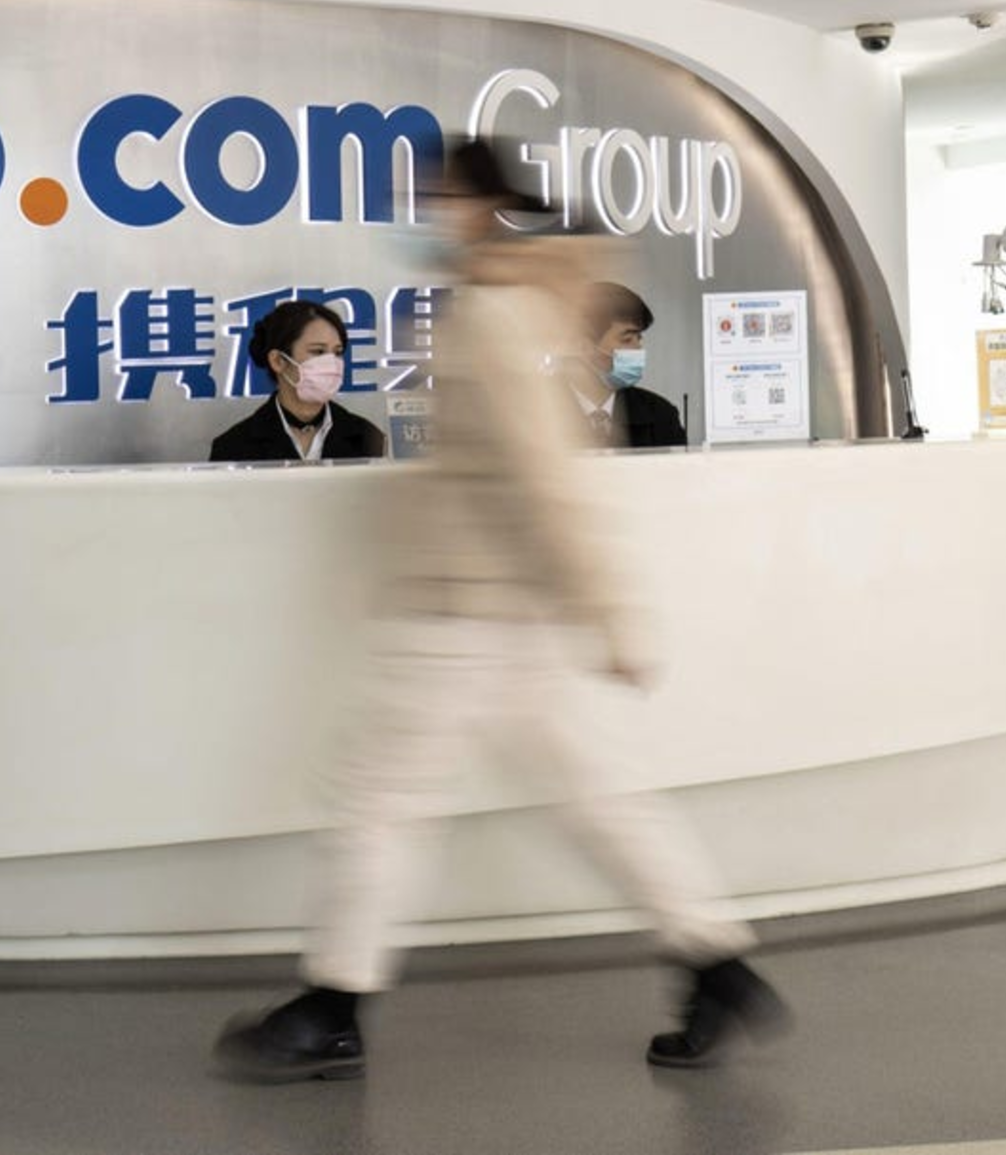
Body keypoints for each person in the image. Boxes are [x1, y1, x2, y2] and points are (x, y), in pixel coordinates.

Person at [213, 137, 786, 1081]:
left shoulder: (494, 314)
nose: (422, 213)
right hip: (504, 613)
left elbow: (542, 476)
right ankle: (717, 964)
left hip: (463, 614)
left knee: (382, 803)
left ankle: (332, 1006)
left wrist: (612, 611)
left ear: (476, 204)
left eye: (435, 195)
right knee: (596, 800)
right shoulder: (504, 304)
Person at [208, 301, 387, 463]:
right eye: (318, 351)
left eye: (337, 352)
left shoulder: (369, 439)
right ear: (278, 361)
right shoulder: (232, 447)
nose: (332, 363)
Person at [561, 282, 687, 449]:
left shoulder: (661, 415)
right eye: (627, 340)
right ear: (585, 347)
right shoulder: (537, 411)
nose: (638, 349)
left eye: (639, 339)